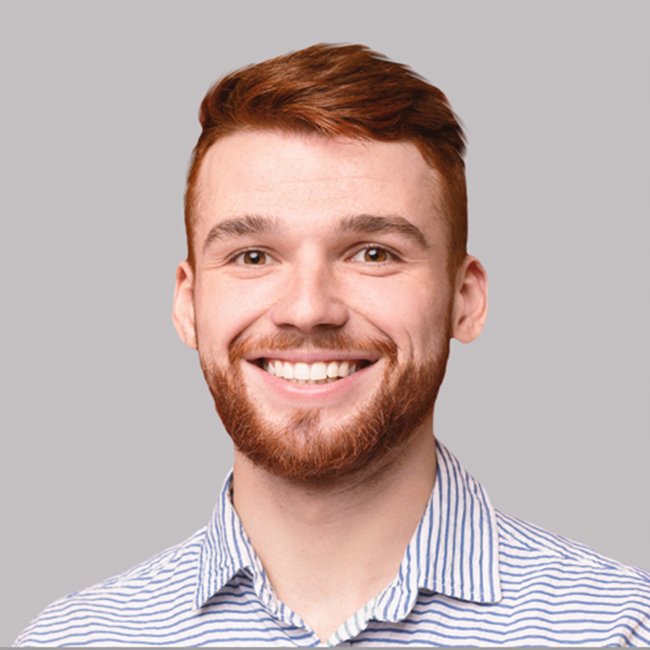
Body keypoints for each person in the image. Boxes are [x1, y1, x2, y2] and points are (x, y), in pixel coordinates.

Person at [15, 43, 650, 648]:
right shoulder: (74, 641)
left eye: (373, 253)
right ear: (189, 303)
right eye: (253, 256)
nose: (308, 309)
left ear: (465, 298)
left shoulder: (621, 630)